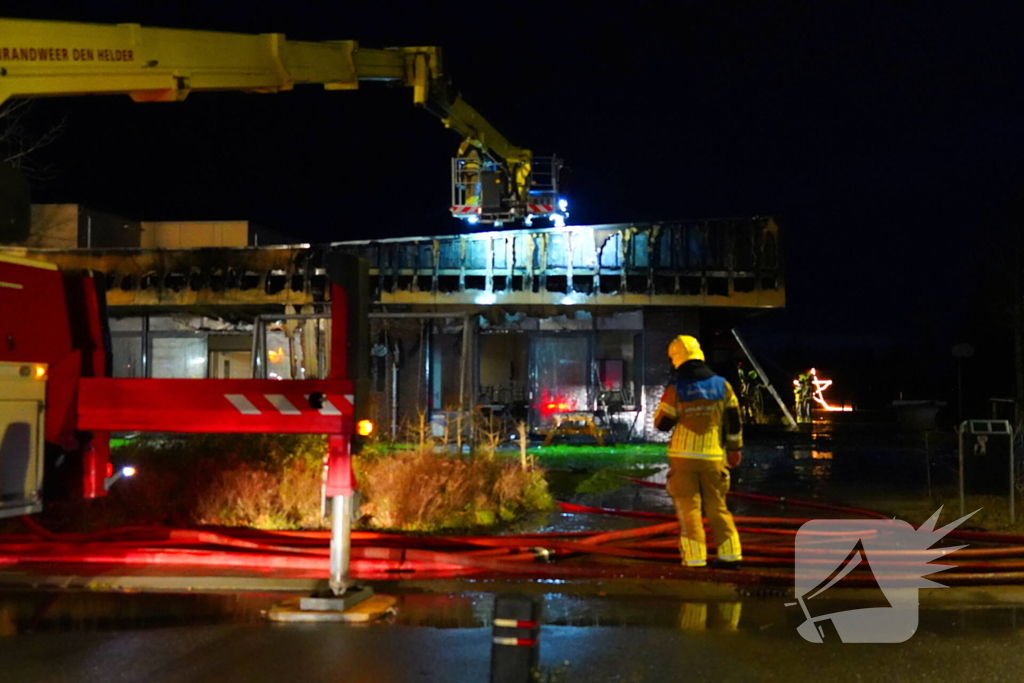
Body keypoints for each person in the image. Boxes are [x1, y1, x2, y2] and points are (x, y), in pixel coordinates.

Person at [654, 335, 743, 569]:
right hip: (713, 457)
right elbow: (734, 421)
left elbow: (662, 423)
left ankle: (694, 560)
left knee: (689, 509)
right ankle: (730, 555)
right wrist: (734, 449)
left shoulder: (677, 388)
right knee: (717, 507)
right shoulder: (722, 385)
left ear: (676, 359)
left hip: (683, 458)